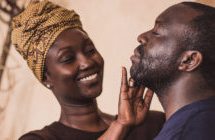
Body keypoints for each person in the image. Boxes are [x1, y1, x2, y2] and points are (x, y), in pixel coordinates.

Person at [11, 0, 165, 140]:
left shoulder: (152, 124)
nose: (87, 62)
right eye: (68, 59)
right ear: (46, 78)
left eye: (90, 50)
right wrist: (121, 126)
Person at [130, 2, 215, 140]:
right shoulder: (203, 122)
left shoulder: (184, 133)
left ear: (189, 60)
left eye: (157, 32)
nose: (141, 37)